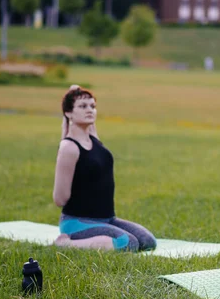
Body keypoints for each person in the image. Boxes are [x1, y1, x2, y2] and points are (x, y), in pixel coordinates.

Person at [53, 85, 157, 251]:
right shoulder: (69, 148)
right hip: (77, 221)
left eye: (92, 106)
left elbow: (83, 124)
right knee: (127, 243)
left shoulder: (92, 138)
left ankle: (102, 234)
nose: (90, 110)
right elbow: (59, 199)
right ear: (68, 113)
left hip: (106, 218)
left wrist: (76, 90)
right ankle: (66, 244)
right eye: (82, 106)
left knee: (148, 241)